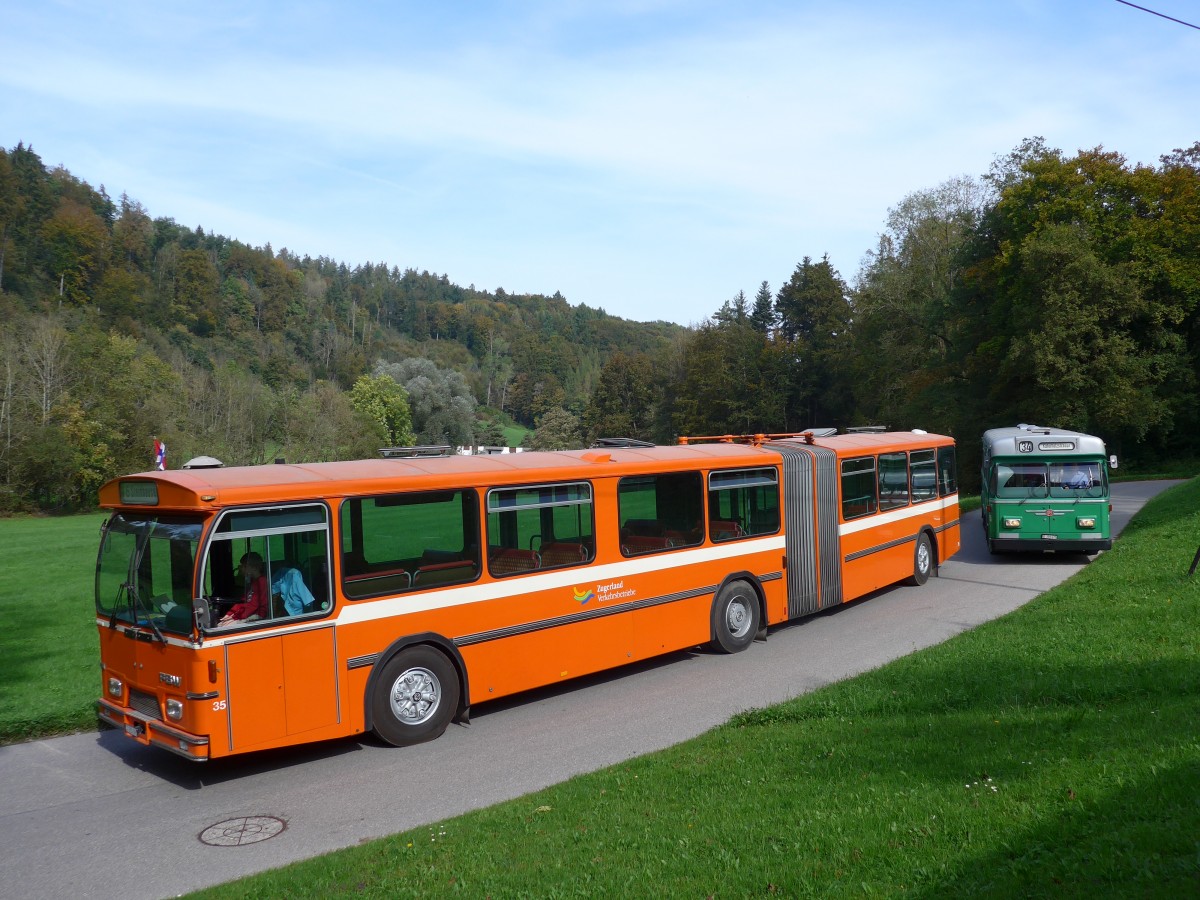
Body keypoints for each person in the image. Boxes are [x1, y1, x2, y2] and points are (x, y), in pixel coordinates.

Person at [218, 552, 269, 626]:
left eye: (244, 566)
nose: (241, 569)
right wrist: (229, 614)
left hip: (258, 616)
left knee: (226, 627)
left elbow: (253, 605)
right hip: (248, 614)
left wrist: (235, 618)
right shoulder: (253, 582)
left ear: (254, 568)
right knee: (220, 625)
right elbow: (243, 601)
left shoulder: (262, 582)